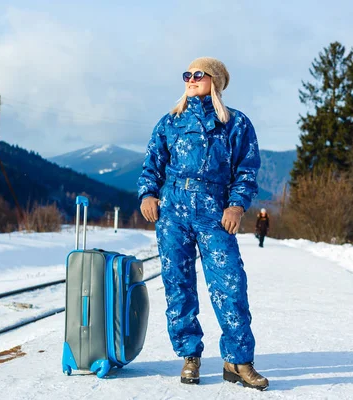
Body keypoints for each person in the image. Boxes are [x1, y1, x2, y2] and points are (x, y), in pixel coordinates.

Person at [137, 57, 268, 390]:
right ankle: (189, 356)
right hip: (173, 212)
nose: (191, 79)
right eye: (187, 74)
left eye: (199, 74)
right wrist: (147, 195)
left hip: (214, 210)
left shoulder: (235, 123)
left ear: (216, 81)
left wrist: (237, 205)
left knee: (230, 284)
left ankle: (238, 361)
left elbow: (247, 170)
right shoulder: (170, 121)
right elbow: (152, 163)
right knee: (177, 285)